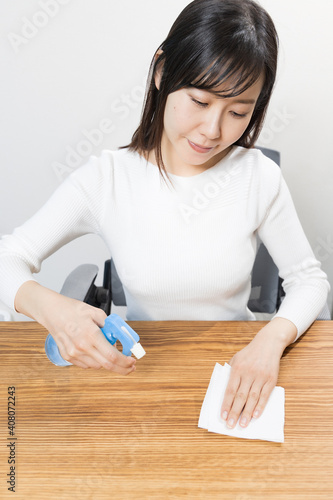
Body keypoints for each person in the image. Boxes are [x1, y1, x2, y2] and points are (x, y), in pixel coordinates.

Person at [0, 0, 330, 432]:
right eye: (199, 100)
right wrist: (53, 309)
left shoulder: (258, 177)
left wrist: (270, 340)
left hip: (234, 369)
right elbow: (9, 257)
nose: (213, 130)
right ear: (161, 72)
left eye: (238, 112)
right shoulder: (107, 179)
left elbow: (309, 279)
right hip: (139, 372)